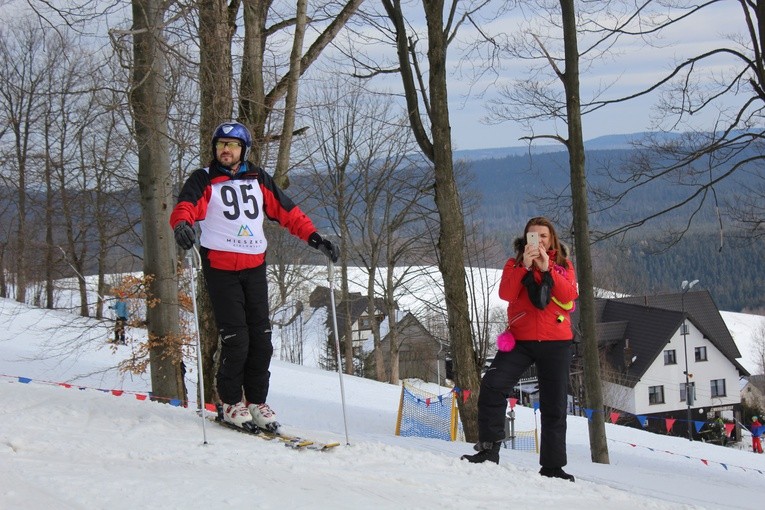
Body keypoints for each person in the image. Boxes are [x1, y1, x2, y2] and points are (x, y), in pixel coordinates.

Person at [170, 121, 339, 432]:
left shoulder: (257, 177)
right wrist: (182, 224)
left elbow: (287, 211)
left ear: (242, 150)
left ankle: (256, 402)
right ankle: (230, 402)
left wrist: (316, 239)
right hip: (221, 268)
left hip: (255, 266)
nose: (226, 150)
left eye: (232, 145)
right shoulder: (204, 179)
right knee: (237, 340)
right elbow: (186, 205)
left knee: (262, 340)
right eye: (221, 144)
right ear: (214, 148)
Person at [461, 216, 579, 482]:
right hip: (520, 340)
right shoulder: (514, 264)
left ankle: (552, 467)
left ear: (552, 240)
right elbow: (506, 293)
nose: (537, 240)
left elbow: (569, 295)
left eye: (543, 236)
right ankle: (489, 450)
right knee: (492, 385)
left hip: (556, 342)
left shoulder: (563, 265)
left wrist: (548, 269)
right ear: (526, 239)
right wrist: (525, 266)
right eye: (532, 235)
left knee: (555, 404)